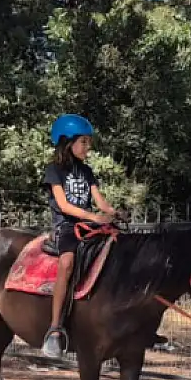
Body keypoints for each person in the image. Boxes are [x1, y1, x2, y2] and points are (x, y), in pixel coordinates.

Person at [40, 113, 116, 359]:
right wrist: (93, 217)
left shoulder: (87, 171)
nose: (88, 147)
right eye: (84, 141)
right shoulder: (55, 171)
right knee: (67, 263)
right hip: (67, 227)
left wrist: (113, 212)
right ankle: (54, 329)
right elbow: (63, 205)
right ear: (67, 142)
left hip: (89, 226)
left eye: (88, 141)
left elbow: (100, 201)